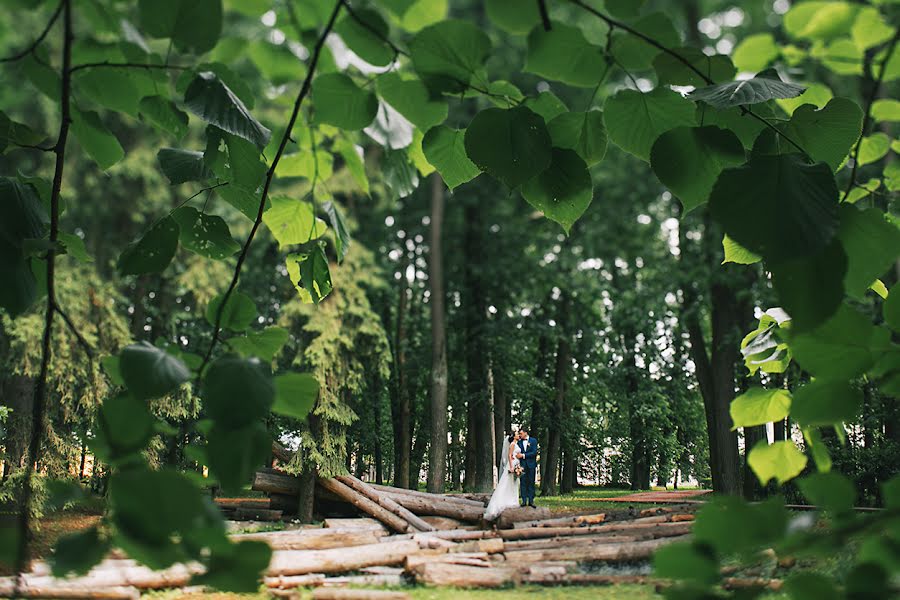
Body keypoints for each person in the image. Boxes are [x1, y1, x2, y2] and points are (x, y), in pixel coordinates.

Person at [483, 432, 522, 520]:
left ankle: (514, 500)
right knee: (507, 483)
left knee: (514, 483)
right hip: (512, 464)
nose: (518, 435)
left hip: (516, 463)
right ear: (513, 436)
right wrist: (512, 466)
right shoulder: (512, 444)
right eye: (516, 434)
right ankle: (504, 501)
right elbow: (509, 455)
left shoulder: (516, 444)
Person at [515, 428, 538, 507]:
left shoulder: (533, 441)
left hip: (531, 465)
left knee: (531, 482)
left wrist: (523, 455)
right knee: (523, 483)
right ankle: (524, 501)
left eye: (521, 433)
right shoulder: (519, 442)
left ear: (526, 433)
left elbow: (534, 452)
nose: (520, 435)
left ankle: (531, 501)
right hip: (522, 466)